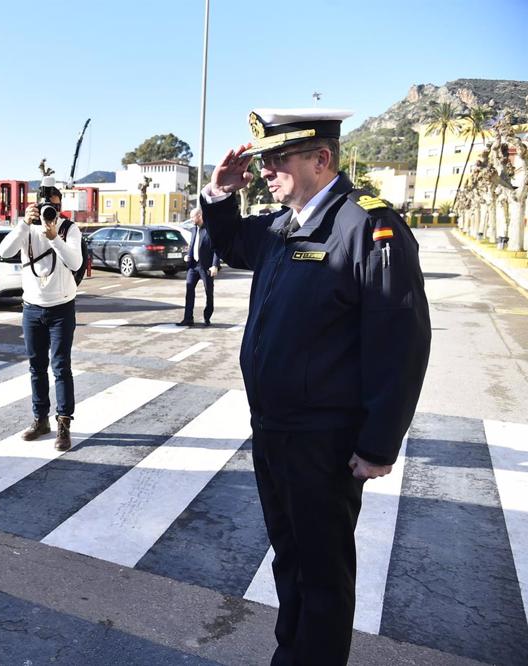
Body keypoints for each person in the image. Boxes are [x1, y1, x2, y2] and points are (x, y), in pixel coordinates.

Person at [201, 109, 431, 665]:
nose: (266, 171)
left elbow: (400, 337)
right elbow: (231, 243)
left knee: (323, 572)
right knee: (290, 557)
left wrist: (378, 443)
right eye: (263, 161)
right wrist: (219, 192)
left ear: (321, 158)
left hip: (323, 437)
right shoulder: (285, 224)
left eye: (278, 159)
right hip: (275, 428)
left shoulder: (366, 226)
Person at [0, 176, 83, 451]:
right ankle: (40, 420)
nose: (50, 213)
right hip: (32, 308)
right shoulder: (27, 228)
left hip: (61, 308)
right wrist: (24, 223)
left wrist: (55, 238)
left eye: (55, 209)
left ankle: (63, 424)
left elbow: (75, 261)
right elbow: (4, 251)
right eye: (46, 207)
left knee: (61, 367)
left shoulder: (69, 229)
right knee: (36, 368)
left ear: (61, 208)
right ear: (36, 206)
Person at [176, 207, 221, 326]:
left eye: (192, 217)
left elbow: (217, 249)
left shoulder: (210, 229)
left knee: (208, 292)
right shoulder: (193, 229)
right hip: (193, 266)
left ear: (200, 216)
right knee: (189, 290)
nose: (191, 220)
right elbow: (193, 245)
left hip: (206, 266)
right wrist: (188, 256)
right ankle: (188, 318)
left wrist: (215, 265)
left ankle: (207, 316)